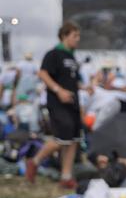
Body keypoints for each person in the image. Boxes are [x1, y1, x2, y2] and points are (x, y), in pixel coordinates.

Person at [26, 21, 87, 189]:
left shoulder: (72, 56)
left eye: (78, 35)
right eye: (75, 35)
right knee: (61, 138)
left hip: (73, 103)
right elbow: (43, 73)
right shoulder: (53, 54)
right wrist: (58, 90)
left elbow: (73, 81)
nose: (78, 39)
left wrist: (86, 87)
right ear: (64, 36)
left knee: (73, 140)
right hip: (57, 103)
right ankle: (35, 161)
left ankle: (66, 176)